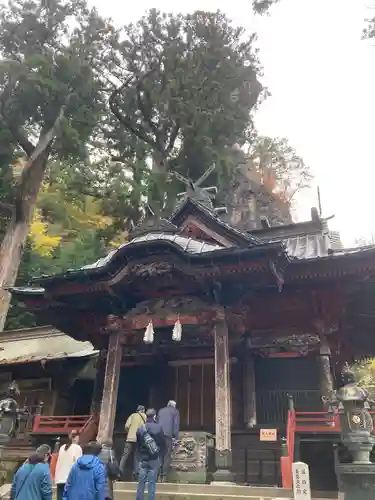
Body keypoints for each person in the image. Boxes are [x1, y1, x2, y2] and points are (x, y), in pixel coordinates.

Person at [136, 408, 165, 500]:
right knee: (152, 483)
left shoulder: (141, 428)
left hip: (143, 458)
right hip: (154, 458)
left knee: (141, 482)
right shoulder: (158, 428)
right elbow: (162, 443)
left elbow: (138, 443)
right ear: (155, 416)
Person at [119, 405, 146, 478]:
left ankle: (120, 471)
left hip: (130, 438)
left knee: (125, 455)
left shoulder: (132, 415)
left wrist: (130, 432)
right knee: (137, 456)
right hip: (139, 439)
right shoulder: (144, 416)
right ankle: (136, 472)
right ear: (143, 410)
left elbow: (127, 426)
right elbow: (145, 428)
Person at [55, 431, 82, 500]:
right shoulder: (77, 448)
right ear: (76, 438)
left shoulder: (62, 447)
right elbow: (79, 465)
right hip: (70, 480)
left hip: (60, 479)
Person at [157, 400, 180, 481]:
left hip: (159, 435)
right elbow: (176, 424)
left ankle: (158, 475)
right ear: (174, 405)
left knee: (160, 455)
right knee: (167, 455)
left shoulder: (160, 411)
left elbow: (157, 422)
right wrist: (176, 437)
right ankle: (164, 476)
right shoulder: (175, 411)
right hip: (167, 435)